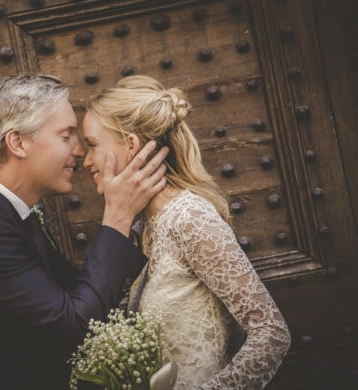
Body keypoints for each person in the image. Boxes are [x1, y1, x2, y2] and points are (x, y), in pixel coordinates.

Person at [0, 72, 169, 390]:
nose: (79, 151)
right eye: (66, 135)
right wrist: (118, 217)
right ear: (18, 143)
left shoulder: (4, 212)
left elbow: (74, 297)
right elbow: (75, 325)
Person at [81, 75, 292, 389]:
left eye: (92, 146)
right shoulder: (142, 229)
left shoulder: (189, 217)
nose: (86, 161)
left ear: (130, 145)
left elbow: (272, 334)